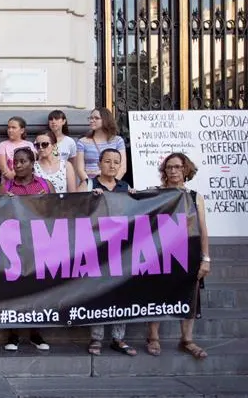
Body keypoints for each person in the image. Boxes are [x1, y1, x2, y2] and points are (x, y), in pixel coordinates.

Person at [146, 153, 211, 360]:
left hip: (188, 253)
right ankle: (153, 337)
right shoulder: (156, 194)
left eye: (177, 167)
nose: (173, 171)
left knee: (189, 295)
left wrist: (206, 259)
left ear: (186, 169)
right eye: (169, 167)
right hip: (160, 253)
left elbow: (202, 228)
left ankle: (187, 340)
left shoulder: (194, 197)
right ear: (164, 171)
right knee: (156, 294)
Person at [0, 148, 54, 352]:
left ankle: (35, 332)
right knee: (14, 289)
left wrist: (43, 203)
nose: (18, 165)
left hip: (38, 245)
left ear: (33, 163)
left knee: (36, 288)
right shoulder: (6, 187)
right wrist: (5, 202)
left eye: (22, 161)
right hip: (13, 246)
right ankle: (13, 333)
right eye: (15, 162)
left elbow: (56, 211)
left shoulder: (45, 185)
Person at [85, 148, 137, 356]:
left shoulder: (125, 187)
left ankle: (118, 338)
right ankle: (96, 338)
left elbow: (136, 214)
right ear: (99, 164)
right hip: (97, 248)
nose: (112, 165)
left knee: (120, 292)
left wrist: (136, 199)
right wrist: (89, 198)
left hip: (122, 249)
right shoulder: (90, 185)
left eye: (116, 162)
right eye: (108, 161)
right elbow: (78, 211)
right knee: (99, 291)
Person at [75, 107, 126, 184]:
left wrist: (112, 185)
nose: (92, 120)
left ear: (106, 120)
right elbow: (80, 169)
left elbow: (122, 168)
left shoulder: (117, 141)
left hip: (111, 185)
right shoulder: (82, 142)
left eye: (96, 118)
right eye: (91, 118)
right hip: (90, 185)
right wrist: (90, 184)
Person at [0, 116, 35, 183]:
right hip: (8, 183)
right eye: (8, 127)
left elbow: (32, 163)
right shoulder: (3, 145)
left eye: (13, 127)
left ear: (22, 130)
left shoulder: (29, 145)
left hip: (27, 182)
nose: (10, 130)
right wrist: (12, 175)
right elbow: (3, 168)